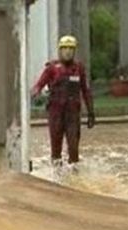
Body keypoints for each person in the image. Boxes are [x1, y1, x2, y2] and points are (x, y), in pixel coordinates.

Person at [32, 35, 95, 167]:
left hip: (72, 115)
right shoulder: (52, 68)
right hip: (56, 113)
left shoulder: (79, 68)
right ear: (60, 50)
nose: (68, 51)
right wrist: (35, 93)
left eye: (71, 49)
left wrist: (91, 112)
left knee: (73, 148)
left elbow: (85, 90)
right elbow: (39, 84)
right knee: (56, 148)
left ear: (74, 51)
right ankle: (56, 177)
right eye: (65, 48)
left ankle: (74, 177)